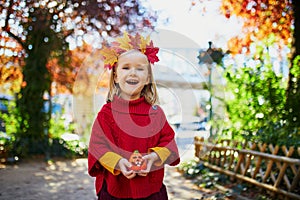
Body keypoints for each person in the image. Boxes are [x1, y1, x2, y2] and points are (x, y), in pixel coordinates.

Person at [88, 32, 180, 200]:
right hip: (115, 191)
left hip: (151, 191)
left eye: (140, 68)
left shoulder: (156, 113)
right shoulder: (106, 114)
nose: (133, 73)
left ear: (147, 78)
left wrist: (153, 158)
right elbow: (97, 147)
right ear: (115, 76)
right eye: (126, 67)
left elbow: (170, 145)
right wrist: (118, 162)